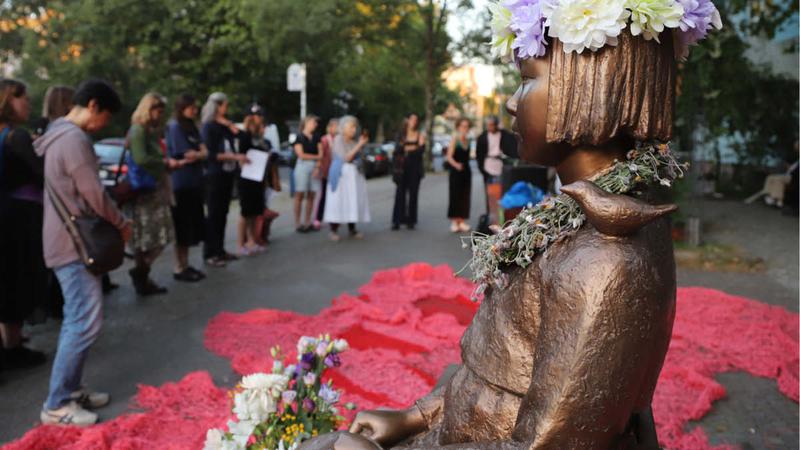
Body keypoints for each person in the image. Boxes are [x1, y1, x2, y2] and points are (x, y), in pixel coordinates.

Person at [304, 4, 699, 447]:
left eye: (527, 79)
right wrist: (415, 417)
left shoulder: (606, 260)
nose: (511, 101)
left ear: (592, 87)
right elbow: (487, 378)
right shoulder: (572, 216)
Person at [35, 79, 131, 426]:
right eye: (105, 116)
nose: (104, 124)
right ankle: (57, 403)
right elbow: (93, 193)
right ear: (93, 105)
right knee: (83, 321)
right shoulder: (74, 139)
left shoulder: (57, 133)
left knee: (79, 318)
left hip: (64, 239)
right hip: (72, 245)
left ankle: (71, 390)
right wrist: (121, 222)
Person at [0, 79, 48, 370]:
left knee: (6, 280)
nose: (28, 103)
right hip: (19, 216)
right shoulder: (15, 136)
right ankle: (13, 346)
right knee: (18, 279)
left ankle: (10, 343)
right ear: (8, 100)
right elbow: (42, 173)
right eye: (22, 98)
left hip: (5, 212)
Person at [124, 93, 176, 296]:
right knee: (157, 235)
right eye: (158, 112)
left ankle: (142, 275)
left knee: (146, 237)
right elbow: (141, 158)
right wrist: (164, 163)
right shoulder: (138, 130)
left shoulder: (146, 130)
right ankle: (141, 273)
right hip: (146, 190)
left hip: (150, 187)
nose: (160, 116)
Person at [201, 92, 249, 267]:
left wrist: (230, 126)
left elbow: (243, 138)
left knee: (223, 213)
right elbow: (210, 154)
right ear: (218, 106)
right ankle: (210, 252)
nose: (227, 109)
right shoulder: (208, 127)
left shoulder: (224, 126)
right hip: (214, 175)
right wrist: (234, 157)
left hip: (227, 174)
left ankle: (220, 249)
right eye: (225, 105)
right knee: (214, 214)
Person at [166, 94, 208, 283]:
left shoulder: (191, 126)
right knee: (181, 226)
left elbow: (203, 151)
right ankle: (179, 266)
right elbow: (187, 154)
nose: (195, 111)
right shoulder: (175, 127)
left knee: (191, 225)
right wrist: (199, 154)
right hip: (181, 182)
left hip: (194, 181)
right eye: (192, 108)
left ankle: (186, 263)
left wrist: (199, 154)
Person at [323, 115, 370, 241]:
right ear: (343, 128)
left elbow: (360, 157)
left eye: (355, 127)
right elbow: (346, 158)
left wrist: (361, 145)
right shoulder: (338, 139)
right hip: (341, 176)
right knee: (338, 201)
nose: (354, 130)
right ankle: (333, 229)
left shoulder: (354, 141)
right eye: (351, 127)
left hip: (354, 176)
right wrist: (359, 145)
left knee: (352, 200)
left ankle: (352, 228)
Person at [236, 104, 271, 256]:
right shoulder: (244, 136)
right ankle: (240, 244)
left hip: (258, 178)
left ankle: (252, 241)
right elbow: (241, 156)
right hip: (247, 178)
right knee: (245, 212)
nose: (260, 119)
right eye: (258, 116)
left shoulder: (259, 137)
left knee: (254, 212)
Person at [475, 116, 517, 223]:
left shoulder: (504, 135)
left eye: (491, 125)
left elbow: (513, 143)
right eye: (488, 125)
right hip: (488, 166)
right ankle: (491, 216)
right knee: (490, 193)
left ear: (496, 125)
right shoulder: (482, 137)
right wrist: (482, 169)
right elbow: (479, 154)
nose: (489, 127)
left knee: (502, 191)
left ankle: (503, 216)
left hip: (501, 166)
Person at [391, 113, 426, 230]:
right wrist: (412, 147)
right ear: (407, 120)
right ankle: (397, 221)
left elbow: (421, 150)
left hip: (415, 168)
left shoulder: (420, 134)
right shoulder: (401, 135)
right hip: (401, 168)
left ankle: (411, 220)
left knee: (413, 194)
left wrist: (407, 148)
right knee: (399, 194)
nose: (413, 122)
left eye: (416, 120)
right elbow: (397, 149)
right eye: (411, 119)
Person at [293, 115, 322, 232]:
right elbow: (301, 155)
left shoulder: (316, 137)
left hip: (314, 167)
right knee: (300, 194)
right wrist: (317, 157)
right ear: (307, 123)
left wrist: (317, 166)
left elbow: (321, 154)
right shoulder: (299, 137)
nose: (315, 125)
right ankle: (297, 222)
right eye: (314, 122)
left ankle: (307, 221)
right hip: (303, 166)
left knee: (311, 195)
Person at [445, 118, 472, 233]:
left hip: (466, 171)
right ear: (458, 127)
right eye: (463, 126)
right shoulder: (454, 139)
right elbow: (449, 157)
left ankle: (461, 221)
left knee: (465, 196)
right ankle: (454, 222)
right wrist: (456, 165)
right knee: (455, 195)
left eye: (467, 126)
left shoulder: (468, 141)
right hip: (456, 172)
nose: (465, 128)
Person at [313, 118, 338, 230]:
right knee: (323, 196)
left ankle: (333, 218)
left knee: (335, 196)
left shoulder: (339, 139)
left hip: (336, 172)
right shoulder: (324, 139)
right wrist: (319, 168)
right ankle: (318, 218)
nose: (337, 129)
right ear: (330, 127)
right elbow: (321, 155)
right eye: (335, 126)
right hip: (326, 171)